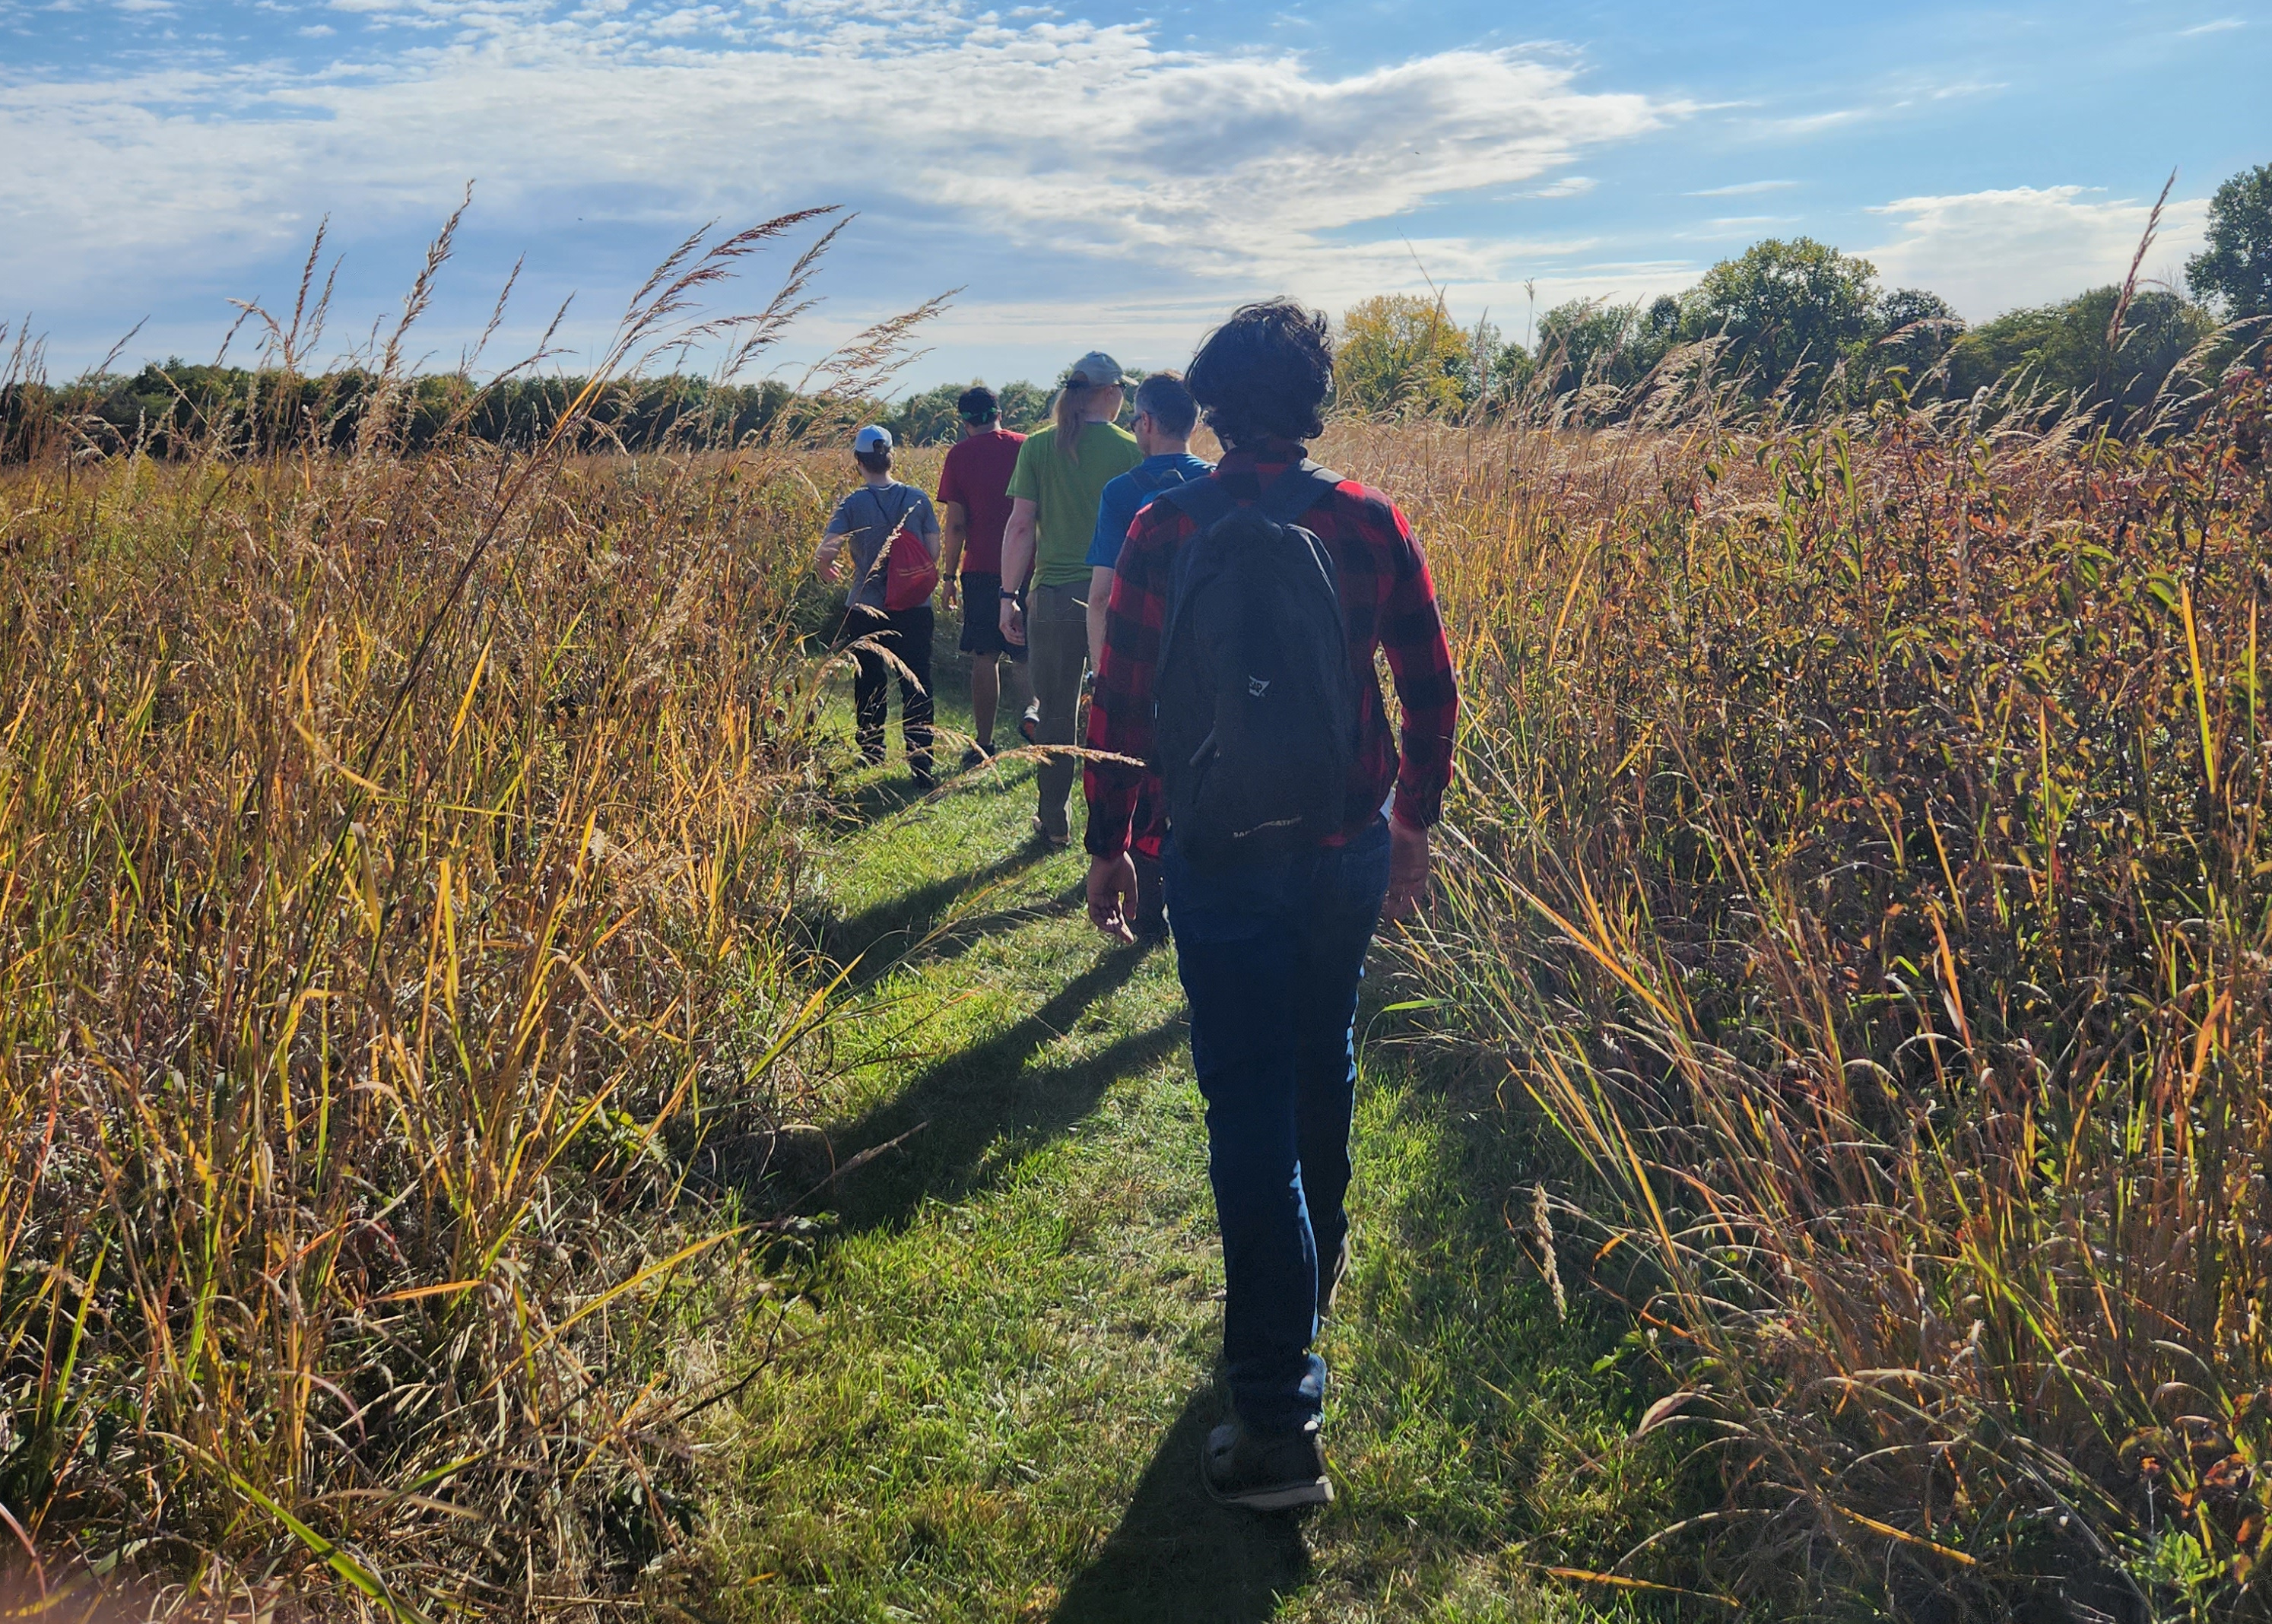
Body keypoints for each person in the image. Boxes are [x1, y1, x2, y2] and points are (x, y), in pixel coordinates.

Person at [1080, 300, 1458, 1509]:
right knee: (1320, 1063)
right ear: (1310, 405)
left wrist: (1114, 845)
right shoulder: (1367, 520)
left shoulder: (1161, 524)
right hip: (1342, 846)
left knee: (1244, 1100)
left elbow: (1122, 708)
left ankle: (1277, 1417)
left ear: (1210, 404)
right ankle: (1311, 1278)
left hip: (1218, 857)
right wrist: (1410, 825)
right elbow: (1430, 688)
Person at [1083, 371, 1211, 938]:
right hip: (1207, 666)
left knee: (1137, 768)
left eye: (1136, 419)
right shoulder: (1220, 484)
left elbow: (1103, 596)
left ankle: (1146, 903)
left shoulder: (1123, 492)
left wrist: (1101, 672)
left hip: (1140, 657)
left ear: (1149, 423)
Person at [998, 352, 1143, 847]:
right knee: (1119, 710)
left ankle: (1053, 822)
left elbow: (1020, 527)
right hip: (1116, 595)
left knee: (1057, 713)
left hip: (1054, 596)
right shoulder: (1132, 449)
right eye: (1123, 389)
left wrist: (1006, 597)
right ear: (1110, 393)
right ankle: (1115, 824)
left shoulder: (1039, 445)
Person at [816, 424, 941, 791]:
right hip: (915, 606)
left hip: (866, 607)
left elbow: (827, 551)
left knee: (869, 679)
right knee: (917, 682)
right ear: (891, 456)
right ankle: (921, 762)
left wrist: (826, 567)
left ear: (859, 461)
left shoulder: (852, 503)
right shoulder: (918, 498)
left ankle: (871, 749)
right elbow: (933, 553)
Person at [935, 385, 1030, 767]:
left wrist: (947, 577)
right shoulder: (1026, 446)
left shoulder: (959, 455)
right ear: (999, 413)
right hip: (1028, 564)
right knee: (1026, 654)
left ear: (964, 421)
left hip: (981, 568)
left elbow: (956, 524)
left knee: (985, 654)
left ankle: (984, 744)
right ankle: (1037, 727)